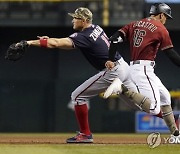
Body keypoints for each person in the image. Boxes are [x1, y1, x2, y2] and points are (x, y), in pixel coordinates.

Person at [13, 7, 137, 143]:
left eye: (75, 18)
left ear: (83, 21)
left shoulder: (84, 36)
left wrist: (29, 43)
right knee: (139, 104)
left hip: (113, 71)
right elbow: (64, 44)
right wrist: (50, 41)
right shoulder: (96, 28)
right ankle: (164, 112)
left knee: (78, 96)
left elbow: (56, 44)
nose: (73, 20)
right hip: (123, 66)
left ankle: (85, 134)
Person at [103, 3, 180, 136]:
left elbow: (114, 39)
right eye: (166, 17)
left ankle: (175, 135)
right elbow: (170, 53)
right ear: (161, 14)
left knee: (166, 97)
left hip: (137, 67)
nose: (166, 20)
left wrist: (110, 59)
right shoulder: (160, 28)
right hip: (144, 69)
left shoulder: (134, 24)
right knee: (154, 109)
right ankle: (121, 89)